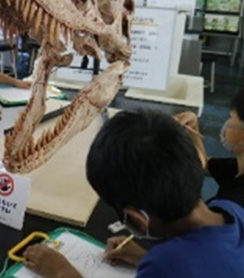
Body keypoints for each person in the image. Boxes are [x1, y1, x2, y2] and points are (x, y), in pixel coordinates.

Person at [23, 110, 244, 278]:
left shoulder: (165, 265)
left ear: (138, 219)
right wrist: (143, 257)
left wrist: (62, 272)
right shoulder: (230, 210)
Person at [175, 87, 244, 208]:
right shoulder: (237, 167)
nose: (227, 123)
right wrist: (193, 130)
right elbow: (205, 164)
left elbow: (199, 220)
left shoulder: (232, 204)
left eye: (231, 117)